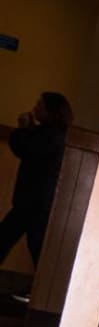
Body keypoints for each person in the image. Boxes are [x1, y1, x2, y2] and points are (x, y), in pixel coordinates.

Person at [0, 92, 73, 279]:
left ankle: (46, 292)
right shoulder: (54, 135)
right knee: (33, 247)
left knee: (31, 246)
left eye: (40, 105)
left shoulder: (51, 136)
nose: (35, 108)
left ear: (51, 111)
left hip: (34, 203)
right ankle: (45, 292)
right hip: (37, 203)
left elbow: (26, 148)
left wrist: (22, 129)